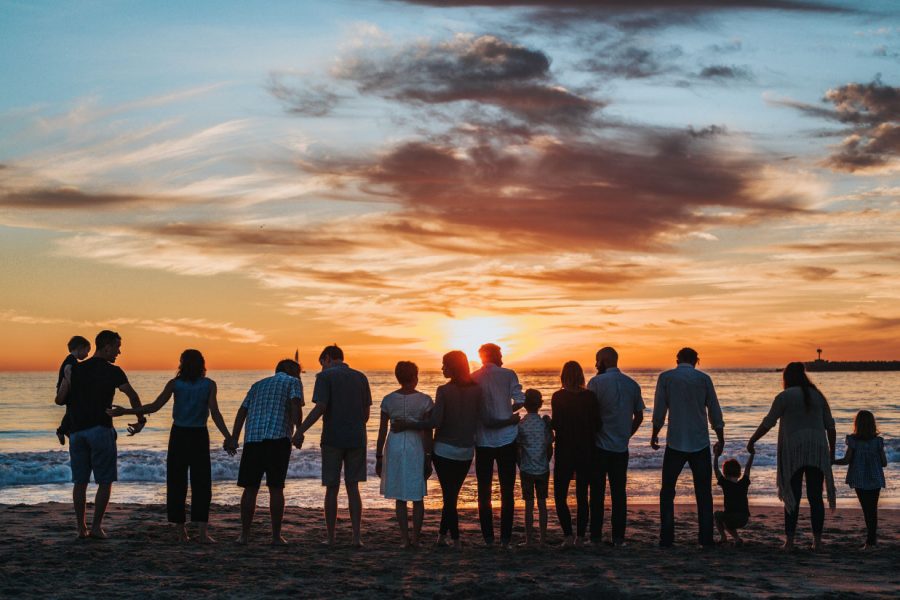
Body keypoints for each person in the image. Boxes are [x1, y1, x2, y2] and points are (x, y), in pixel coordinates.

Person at [107, 349, 233, 542]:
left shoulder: (176, 384)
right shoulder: (208, 384)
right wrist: (228, 436)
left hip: (179, 436)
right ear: (202, 364)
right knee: (202, 483)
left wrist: (127, 411)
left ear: (182, 364)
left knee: (177, 482)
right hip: (199, 435)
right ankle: (202, 533)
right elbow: (215, 413)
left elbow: (154, 407)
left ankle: (181, 531)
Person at [54, 330, 146, 539]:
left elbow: (61, 399)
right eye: (116, 347)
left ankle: (80, 528)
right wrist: (140, 420)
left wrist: (68, 381)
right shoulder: (113, 371)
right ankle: (96, 527)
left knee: (80, 482)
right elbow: (132, 395)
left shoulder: (75, 369)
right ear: (106, 347)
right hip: (100, 430)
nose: (119, 352)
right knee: (104, 481)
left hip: (76, 432)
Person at [394, 350, 480, 548]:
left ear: (454, 367)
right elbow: (480, 417)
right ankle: (442, 536)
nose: (442, 368)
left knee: (449, 496)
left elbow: (434, 422)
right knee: (451, 495)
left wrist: (408, 423)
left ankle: (456, 539)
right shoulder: (477, 390)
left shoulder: (443, 390)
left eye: (445, 365)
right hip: (466, 451)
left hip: (443, 451)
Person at [747, 362, 836, 552]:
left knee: (792, 496)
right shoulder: (818, 396)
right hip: (817, 450)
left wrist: (752, 440)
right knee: (815, 498)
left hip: (793, 451)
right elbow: (830, 426)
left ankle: (790, 541)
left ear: (786, 377)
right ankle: (817, 542)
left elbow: (768, 422)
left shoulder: (785, 397)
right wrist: (832, 452)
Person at [295, 345, 372, 547]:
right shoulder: (361, 377)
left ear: (327, 358)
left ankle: (331, 538)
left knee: (332, 488)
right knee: (353, 487)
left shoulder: (325, 377)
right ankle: (356, 538)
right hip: (357, 438)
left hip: (333, 438)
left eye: (321, 364)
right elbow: (365, 415)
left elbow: (320, 407)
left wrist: (300, 430)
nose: (321, 369)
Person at [651, 347, 724, 548]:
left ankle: (667, 538)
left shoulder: (666, 378)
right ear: (696, 361)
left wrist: (655, 433)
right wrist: (720, 436)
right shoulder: (704, 379)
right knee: (703, 493)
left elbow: (660, 409)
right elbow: (714, 411)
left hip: (675, 442)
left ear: (677, 359)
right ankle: (706, 539)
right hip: (699, 442)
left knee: (667, 491)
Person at [227, 359, 304, 545]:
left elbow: (242, 411)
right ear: (289, 370)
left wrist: (234, 438)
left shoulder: (257, 385)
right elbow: (295, 404)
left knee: (250, 488)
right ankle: (276, 536)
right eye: (298, 371)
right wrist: (299, 430)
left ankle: (244, 536)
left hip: (253, 439)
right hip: (277, 438)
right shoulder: (293, 382)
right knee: (276, 488)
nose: (299, 374)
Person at [586, 346, 644, 546]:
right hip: (621, 446)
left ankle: (595, 536)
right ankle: (618, 537)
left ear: (604, 360)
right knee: (619, 494)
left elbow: (589, 414)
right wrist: (627, 434)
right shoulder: (632, 384)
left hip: (600, 446)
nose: (595, 364)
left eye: (597, 360)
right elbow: (639, 416)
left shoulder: (595, 383)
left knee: (597, 493)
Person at [471, 343, 525, 549]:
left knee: (483, 490)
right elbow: (520, 400)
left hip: (483, 440)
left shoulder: (474, 377)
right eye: (500, 353)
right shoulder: (509, 374)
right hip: (506, 439)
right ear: (495, 355)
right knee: (507, 490)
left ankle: (488, 538)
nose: (502, 357)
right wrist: (507, 410)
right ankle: (505, 539)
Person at [375, 361, 433, 548]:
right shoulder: (425, 400)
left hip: (395, 445)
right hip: (416, 445)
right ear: (415, 377)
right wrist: (428, 456)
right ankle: (415, 539)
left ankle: (404, 539)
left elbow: (382, 430)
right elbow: (427, 431)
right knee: (417, 496)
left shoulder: (388, 400)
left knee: (400, 496)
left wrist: (378, 457)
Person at [551, 361, 598, 547]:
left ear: (563, 376)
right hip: (587, 450)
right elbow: (597, 424)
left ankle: (568, 536)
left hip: (565, 450)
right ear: (581, 376)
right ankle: (580, 537)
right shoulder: (590, 397)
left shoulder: (558, 396)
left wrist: (548, 423)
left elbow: (558, 424)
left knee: (560, 495)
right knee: (582, 496)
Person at [833, 410, 887, 549]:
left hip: (859, 478)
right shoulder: (878, 442)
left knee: (866, 509)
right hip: (875, 478)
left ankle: (870, 542)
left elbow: (847, 460)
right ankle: (871, 541)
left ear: (857, 424)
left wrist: (832, 461)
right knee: (872, 510)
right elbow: (884, 463)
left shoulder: (853, 441)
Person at [517, 389, 553, 548]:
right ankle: (543, 540)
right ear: (540, 404)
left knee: (529, 506)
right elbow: (550, 442)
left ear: (524, 405)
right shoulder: (543, 424)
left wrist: (520, 464)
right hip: (543, 469)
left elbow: (517, 448)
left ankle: (529, 540)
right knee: (542, 504)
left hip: (527, 469)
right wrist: (546, 461)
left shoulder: (521, 424)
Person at [713, 447, 754, 545]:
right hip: (744, 518)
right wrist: (752, 454)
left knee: (718, 516)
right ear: (739, 473)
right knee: (727, 520)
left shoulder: (725, 483)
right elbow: (748, 467)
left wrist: (716, 456)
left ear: (725, 473)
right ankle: (735, 539)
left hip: (731, 518)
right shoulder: (744, 482)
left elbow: (715, 468)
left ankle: (726, 537)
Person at [55, 336, 91, 445]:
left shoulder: (71, 359)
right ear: (80, 348)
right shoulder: (71, 360)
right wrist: (73, 385)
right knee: (72, 411)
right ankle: (62, 430)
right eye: (87, 351)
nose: (87, 354)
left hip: (67, 390)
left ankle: (64, 430)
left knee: (71, 411)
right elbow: (67, 371)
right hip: (67, 390)